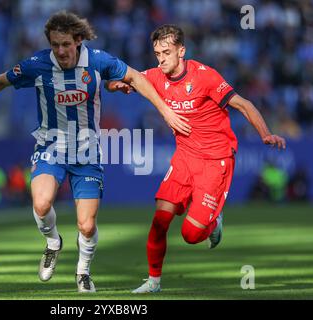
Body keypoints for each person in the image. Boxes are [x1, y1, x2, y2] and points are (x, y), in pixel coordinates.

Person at [0, 12, 191, 293]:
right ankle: (53, 243)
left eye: (66, 44)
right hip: (50, 147)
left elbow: (136, 79)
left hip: (87, 153)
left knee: (86, 225)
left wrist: (164, 110)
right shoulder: (39, 64)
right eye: (55, 45)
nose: (61, 51)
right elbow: (0, 81)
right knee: (41, 204)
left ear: (78, 41)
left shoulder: (99, 61)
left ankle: (83, 272)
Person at [106, 24, 286, 293]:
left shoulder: (205, 77)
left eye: (166, 52)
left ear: (181, 51)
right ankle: (153, 281)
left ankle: (214, 221)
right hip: (185, 157)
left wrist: (266, 133)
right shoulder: (155, 76)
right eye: (157, 54)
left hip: (216, 159)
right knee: (160, 219)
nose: (161, 58)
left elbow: (243, 104)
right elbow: (115, 82)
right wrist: (117, 85)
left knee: (191, 235)